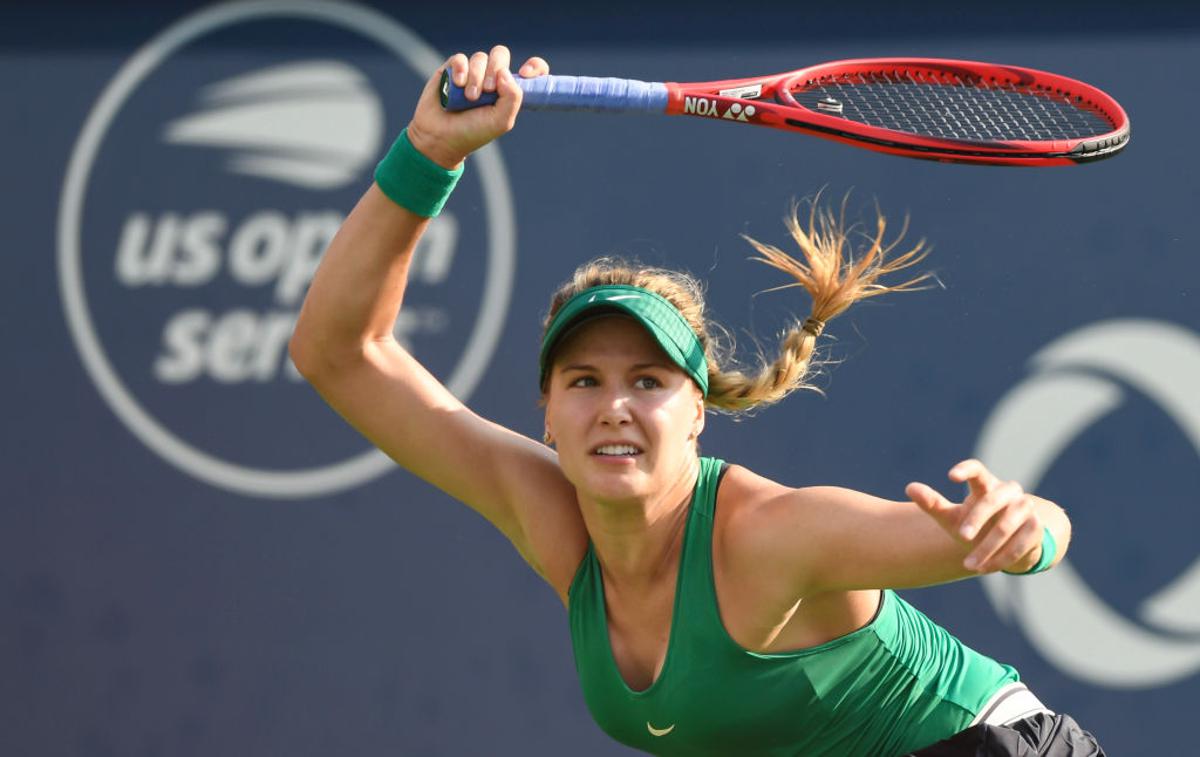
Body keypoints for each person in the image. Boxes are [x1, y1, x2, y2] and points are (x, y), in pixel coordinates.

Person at [289, 46, 1106, 757]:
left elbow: (1025, 535)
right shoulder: (551, 519)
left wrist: (1026, 528)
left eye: (649, 381)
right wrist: (428, 150)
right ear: (546, 412)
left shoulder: (766, 536)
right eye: (585, 381)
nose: (615, 406)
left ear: (697, 413)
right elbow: (338, 353)